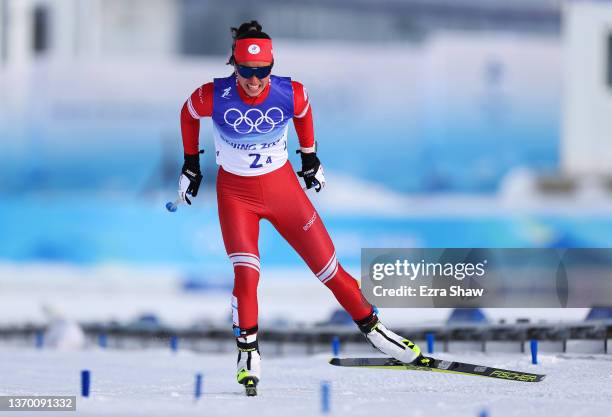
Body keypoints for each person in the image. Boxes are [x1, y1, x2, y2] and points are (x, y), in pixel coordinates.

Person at [178, 20, 429, 394]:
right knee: (247, 275)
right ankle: (248, 353)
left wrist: (309, 157)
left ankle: (377, 333)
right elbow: (187, 112)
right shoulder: (213, 96)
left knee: (330, 270)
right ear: (235, 66)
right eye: (246, 72)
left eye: (262, 72)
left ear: (271, 68)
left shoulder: (288, 92)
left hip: (284, 192)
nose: (254, 81)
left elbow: (304, 110)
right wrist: (191, 164)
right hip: (236, 196)